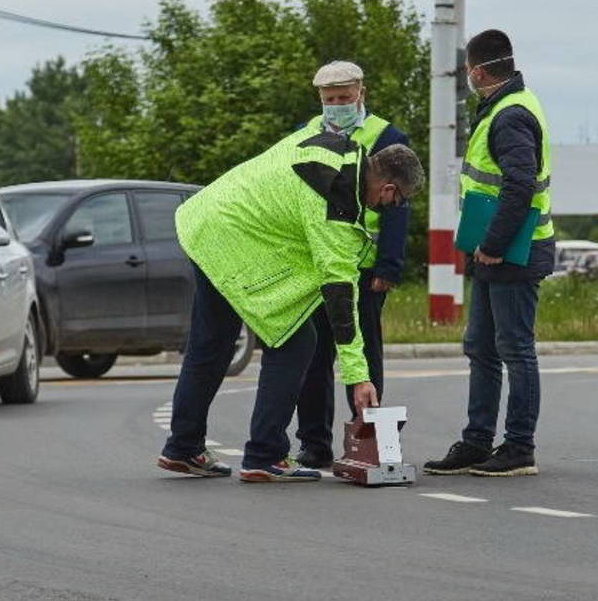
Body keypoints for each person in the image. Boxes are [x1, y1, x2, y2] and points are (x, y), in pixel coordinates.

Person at [156, 123, 425, 483]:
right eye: (397, 200)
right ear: (388, 187)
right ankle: (264, 455)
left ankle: (183, 447)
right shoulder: (338, 208)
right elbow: (341, 298)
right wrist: (360, 377)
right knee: (297, 342)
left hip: (207, 221)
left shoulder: (335, 147)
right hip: (231, 241)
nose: (390, 206)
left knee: (211, 344)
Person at [424, 29, 554, 478]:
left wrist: (494, 246)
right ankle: (477, 442)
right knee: (481, 346)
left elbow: (520, 185)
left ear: (476, 70)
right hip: (493, 252)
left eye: (467, 71)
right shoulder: (505, 107)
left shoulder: (510, 115)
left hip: (512, 252)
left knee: (515, 349)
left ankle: (519, 447)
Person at [294, 61, 412, 469]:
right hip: (316, 266)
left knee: (364, 355)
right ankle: (313, 442)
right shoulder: (306, 135)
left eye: (345, 98)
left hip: (363, 268)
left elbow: (398, 206)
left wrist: (389, 266)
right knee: (314, 355)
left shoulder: (385, 136)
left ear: (361, 93)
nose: (337, 106)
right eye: (330, 100)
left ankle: (367, 437)